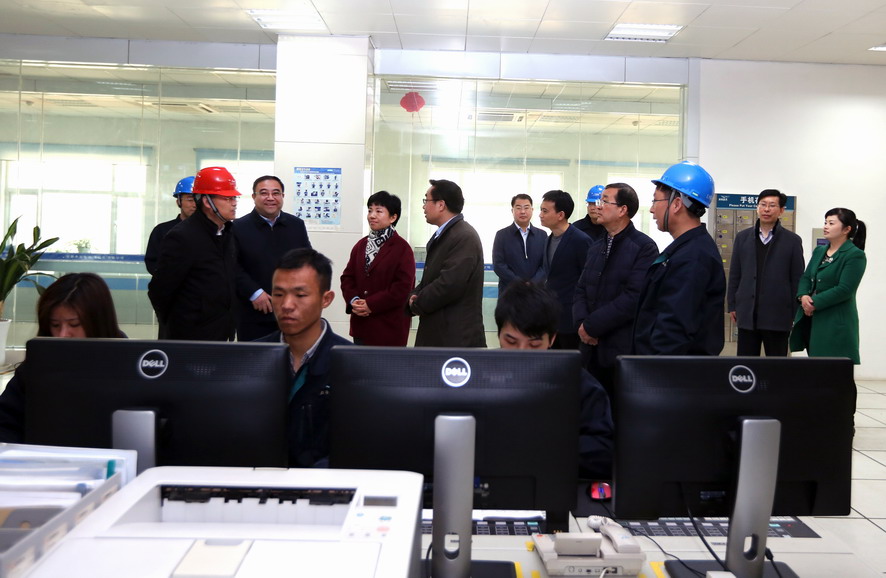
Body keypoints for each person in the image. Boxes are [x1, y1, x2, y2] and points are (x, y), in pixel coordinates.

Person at [495, 280, 613, 480]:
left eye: (534, 345)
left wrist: (538, 447)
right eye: (511, 341)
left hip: (553, 484)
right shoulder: (477, 376)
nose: (522, 353)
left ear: (551, 339)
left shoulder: (579, 385)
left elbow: (604, 452)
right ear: (498, 334)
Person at [0, 273, 124, 443]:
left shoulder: (128, 367)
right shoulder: (36, 366)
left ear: (98, 322)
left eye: (74, 324)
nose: (63, 334)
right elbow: (5, 423)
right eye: (55, 325)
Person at [255, 248, 350, 467]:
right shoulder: (250, 358)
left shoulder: (350, 364)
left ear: (326, 299)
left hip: (324, 481)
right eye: (278, 294)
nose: (286, 305)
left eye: (300, 295)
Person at [573, 183, 657, 399]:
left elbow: (633, 297)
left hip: (619, 349)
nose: (598, 206)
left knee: (618, 410)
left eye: (605, 201)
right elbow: (581, 288)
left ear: (623, 210)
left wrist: (592, 326)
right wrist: (582, 325)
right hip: (589, 348)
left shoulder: (644, 247)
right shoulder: (596, 246)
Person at [633, 161, 725, 355]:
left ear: (676, 204)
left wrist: (651, 368)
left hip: (672, 368)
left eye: (655, 201)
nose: (651, 209)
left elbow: (673, 330)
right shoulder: (686, 249)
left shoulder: (693, 257)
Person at [148, 166, 240, 341]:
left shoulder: (228, 232)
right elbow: (160, 290)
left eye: (234, 197)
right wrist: (176, 326)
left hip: (222, 330)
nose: (234, 203)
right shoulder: (182, 236)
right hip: (190, 335)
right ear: (207, 202)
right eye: (227, 198)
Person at [232, 175, 312, 341]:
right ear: (254, 197)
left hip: (292, 310)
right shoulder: (237, 227)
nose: (270, 198)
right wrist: (254, 292)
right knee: (254, 356)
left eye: (276, 193)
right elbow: (232, 266)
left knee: (292, 356)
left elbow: (307, 260)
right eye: (264, 193)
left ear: (282, 196)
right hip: (253, 312)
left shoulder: (296, 225)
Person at [408, 179, 485, 347]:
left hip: (455, 337)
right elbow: (430, 279)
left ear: (441, 205)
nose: (424, 206)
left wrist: (417, 302)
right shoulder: (446, 235)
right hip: (439, 332)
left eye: (426, 200)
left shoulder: (464, 236)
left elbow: (449, 284)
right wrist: (413, 296)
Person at [727, 189, 804, 356]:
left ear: (781, 210)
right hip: (748, 313)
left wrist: (795, 312)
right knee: (746, 364)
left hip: (778, 315)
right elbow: (735, 274)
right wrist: (732, 305)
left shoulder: (792, 241)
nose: (766, 209)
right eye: (763, 204)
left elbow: (797, 279)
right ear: (757, 208)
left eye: (772, 205)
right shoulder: (742, 237)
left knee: (776, 365)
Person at [790, 208, 867, 364]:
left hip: (836, 320)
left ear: (846, 229)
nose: (825, 226)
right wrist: (803, 296)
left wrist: (813, 303)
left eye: (831, 223)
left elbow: (845, 289)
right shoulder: (819, 251)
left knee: (834, 368)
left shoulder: (855, 255)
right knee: (817, 366)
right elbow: (806, 277)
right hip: (812, 319)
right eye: (825, 222)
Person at [340, 190, 415, 346]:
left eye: (378, 211)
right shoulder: (361, 245)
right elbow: (347, 278)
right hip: (361, 326)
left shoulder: (402, 248)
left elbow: (402, 288)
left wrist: (371, 304)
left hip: (388, 328)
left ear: (393, 217)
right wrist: (354, 300)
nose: (372, 215)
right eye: (370, 210)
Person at [539, 189, 592, 350]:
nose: (540, 215)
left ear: (560, 215)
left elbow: (588, 281)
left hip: (572, 320)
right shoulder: (548, 239)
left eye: (545, 211)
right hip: (552, 319)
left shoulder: (580, 240)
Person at [491, 193, 546, 295]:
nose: (523, 211)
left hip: (536, 292)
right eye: (518, 208)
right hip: (509, 293)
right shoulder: (502, 235)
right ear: (512, 210)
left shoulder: (542, 235)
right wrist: (520, 284)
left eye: (526, 208)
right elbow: (498, 265)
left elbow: (545, 265)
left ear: (532, 210)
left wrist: (532, 284)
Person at [144, 176, 197, 276]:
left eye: (198, 199)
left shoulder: (212, 231)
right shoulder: (162, 231)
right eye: (190, 200)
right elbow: (152, 262)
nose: (195, 204)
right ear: (178, 202)